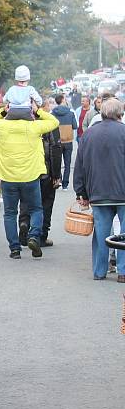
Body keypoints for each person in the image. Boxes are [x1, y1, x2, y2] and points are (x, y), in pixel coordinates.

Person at [0, 102, 59, 259]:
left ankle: (15, 249)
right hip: (31, 176)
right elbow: (54, 122)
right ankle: (33, 235)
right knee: (36, 209)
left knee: (10, 213)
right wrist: (38, 110)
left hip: (8, 177)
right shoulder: (35, 127)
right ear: (29, 113)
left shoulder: (2, 127)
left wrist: (4, 111)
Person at [73, 98, 125, 281]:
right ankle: (123, 272)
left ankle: (99, 271)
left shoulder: (89, 134)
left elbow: (80, 165)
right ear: (120, 113)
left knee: (101, 232)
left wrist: (81, 192)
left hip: (98, 192)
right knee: (124, 234)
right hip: (123, 192)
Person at [18, 109, 62, 248]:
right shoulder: (49, 125)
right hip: (45, 171)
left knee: (25, 200)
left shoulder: (20, 125)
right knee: (45, 203)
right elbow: (55, 149)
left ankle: (24, 224)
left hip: (25, 170)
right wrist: (56, 175)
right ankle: (41, 235)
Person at [51, 94, 78, 191]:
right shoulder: (70, 113)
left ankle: (60, 179)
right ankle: (65, 184)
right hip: (68, 140)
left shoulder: (52, 114)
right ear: (63, 100)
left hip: (57, 141)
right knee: (67, 163)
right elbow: (75, 126)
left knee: (57, 162)